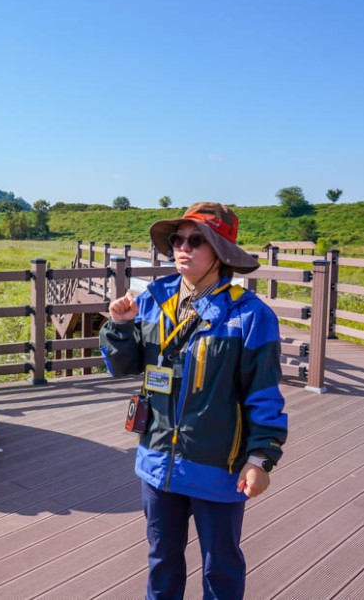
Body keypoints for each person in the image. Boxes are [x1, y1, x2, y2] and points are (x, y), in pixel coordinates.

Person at [103, 202, 287, 599]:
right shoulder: (154, 297)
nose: (182, 247)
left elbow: (264, 393)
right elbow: (124, 366)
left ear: (219, 251)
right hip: (156, 461)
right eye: (177, 239)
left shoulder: (250, 314)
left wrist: (260, 459)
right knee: (162, 558)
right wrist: (119, 326)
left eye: (195, 240)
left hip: (217, 465)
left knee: (220, 565)